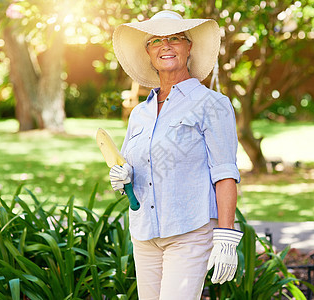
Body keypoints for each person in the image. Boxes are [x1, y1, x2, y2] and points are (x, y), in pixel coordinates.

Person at [110, 10, 243, 300]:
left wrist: (226, 238)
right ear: (148, 52)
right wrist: (124, 177)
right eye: (156, 40)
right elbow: (137, 169)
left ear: (188, 46)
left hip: (190, 232)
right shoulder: (140, 114)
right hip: (145, 234)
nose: (165, 45)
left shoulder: (212, 105)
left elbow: (225, 173)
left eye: (174, 38)